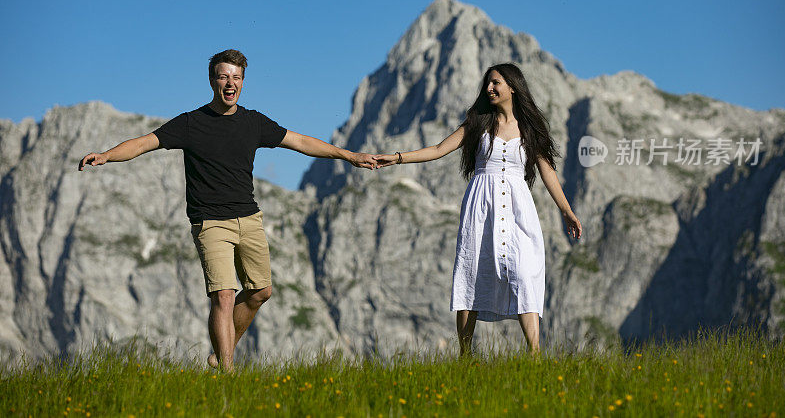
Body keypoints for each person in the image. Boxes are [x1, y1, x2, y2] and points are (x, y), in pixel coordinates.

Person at [79, 49, 377, 370]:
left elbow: (302, 142)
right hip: (210, 223)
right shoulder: (191, 124)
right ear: (212, 81)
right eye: (223, 77)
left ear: (243, 83)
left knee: (261, 291)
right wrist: (107, 155)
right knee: (222, 295)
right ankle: (227, 373)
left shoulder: (253, 123)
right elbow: (143, 142)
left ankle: (221, 353)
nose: (230, 83)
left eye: (236, 77)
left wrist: (349, 155)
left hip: (249, 218)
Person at [376, 63, 581, 356]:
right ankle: (465, 354)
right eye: (487, 84)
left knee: (524, 274)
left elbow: (547, 171)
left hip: (518, 210)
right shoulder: (478, 123)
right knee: (471, 273)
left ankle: (535, 356)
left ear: (513, 86)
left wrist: (566, 210)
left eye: (495, 83)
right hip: (480, 209)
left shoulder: (530, 130)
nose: (489, 88)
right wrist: (397, 158)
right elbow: (437, 149)